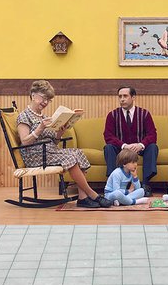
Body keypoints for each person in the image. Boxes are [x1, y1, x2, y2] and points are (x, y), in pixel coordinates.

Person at [16, 80, 111, 208]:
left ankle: (83, 198)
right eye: (44, 98)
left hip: (49, 152)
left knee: (77, 152)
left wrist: (61, 132)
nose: (45, 103)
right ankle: (92, 194)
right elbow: (24, 141)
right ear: (33, 95)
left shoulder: (44, 117)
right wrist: (40, 128)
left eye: (48, 100)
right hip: (36, 155)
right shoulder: (23, 116)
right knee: (70, 157)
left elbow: (54, 141)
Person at [103, 85, 158, 195]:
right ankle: (115, 184)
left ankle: (146, 185)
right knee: (108, 147)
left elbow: (152, 135)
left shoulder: (144, 114)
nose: (122, 99)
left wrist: (141, 145)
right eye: (120, 96)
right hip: (121, 149)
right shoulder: (112, 115)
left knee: (152, 147)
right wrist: (124, 146)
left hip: (139, 149)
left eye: (125, 96)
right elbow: (108, 136)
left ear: (133, 97)